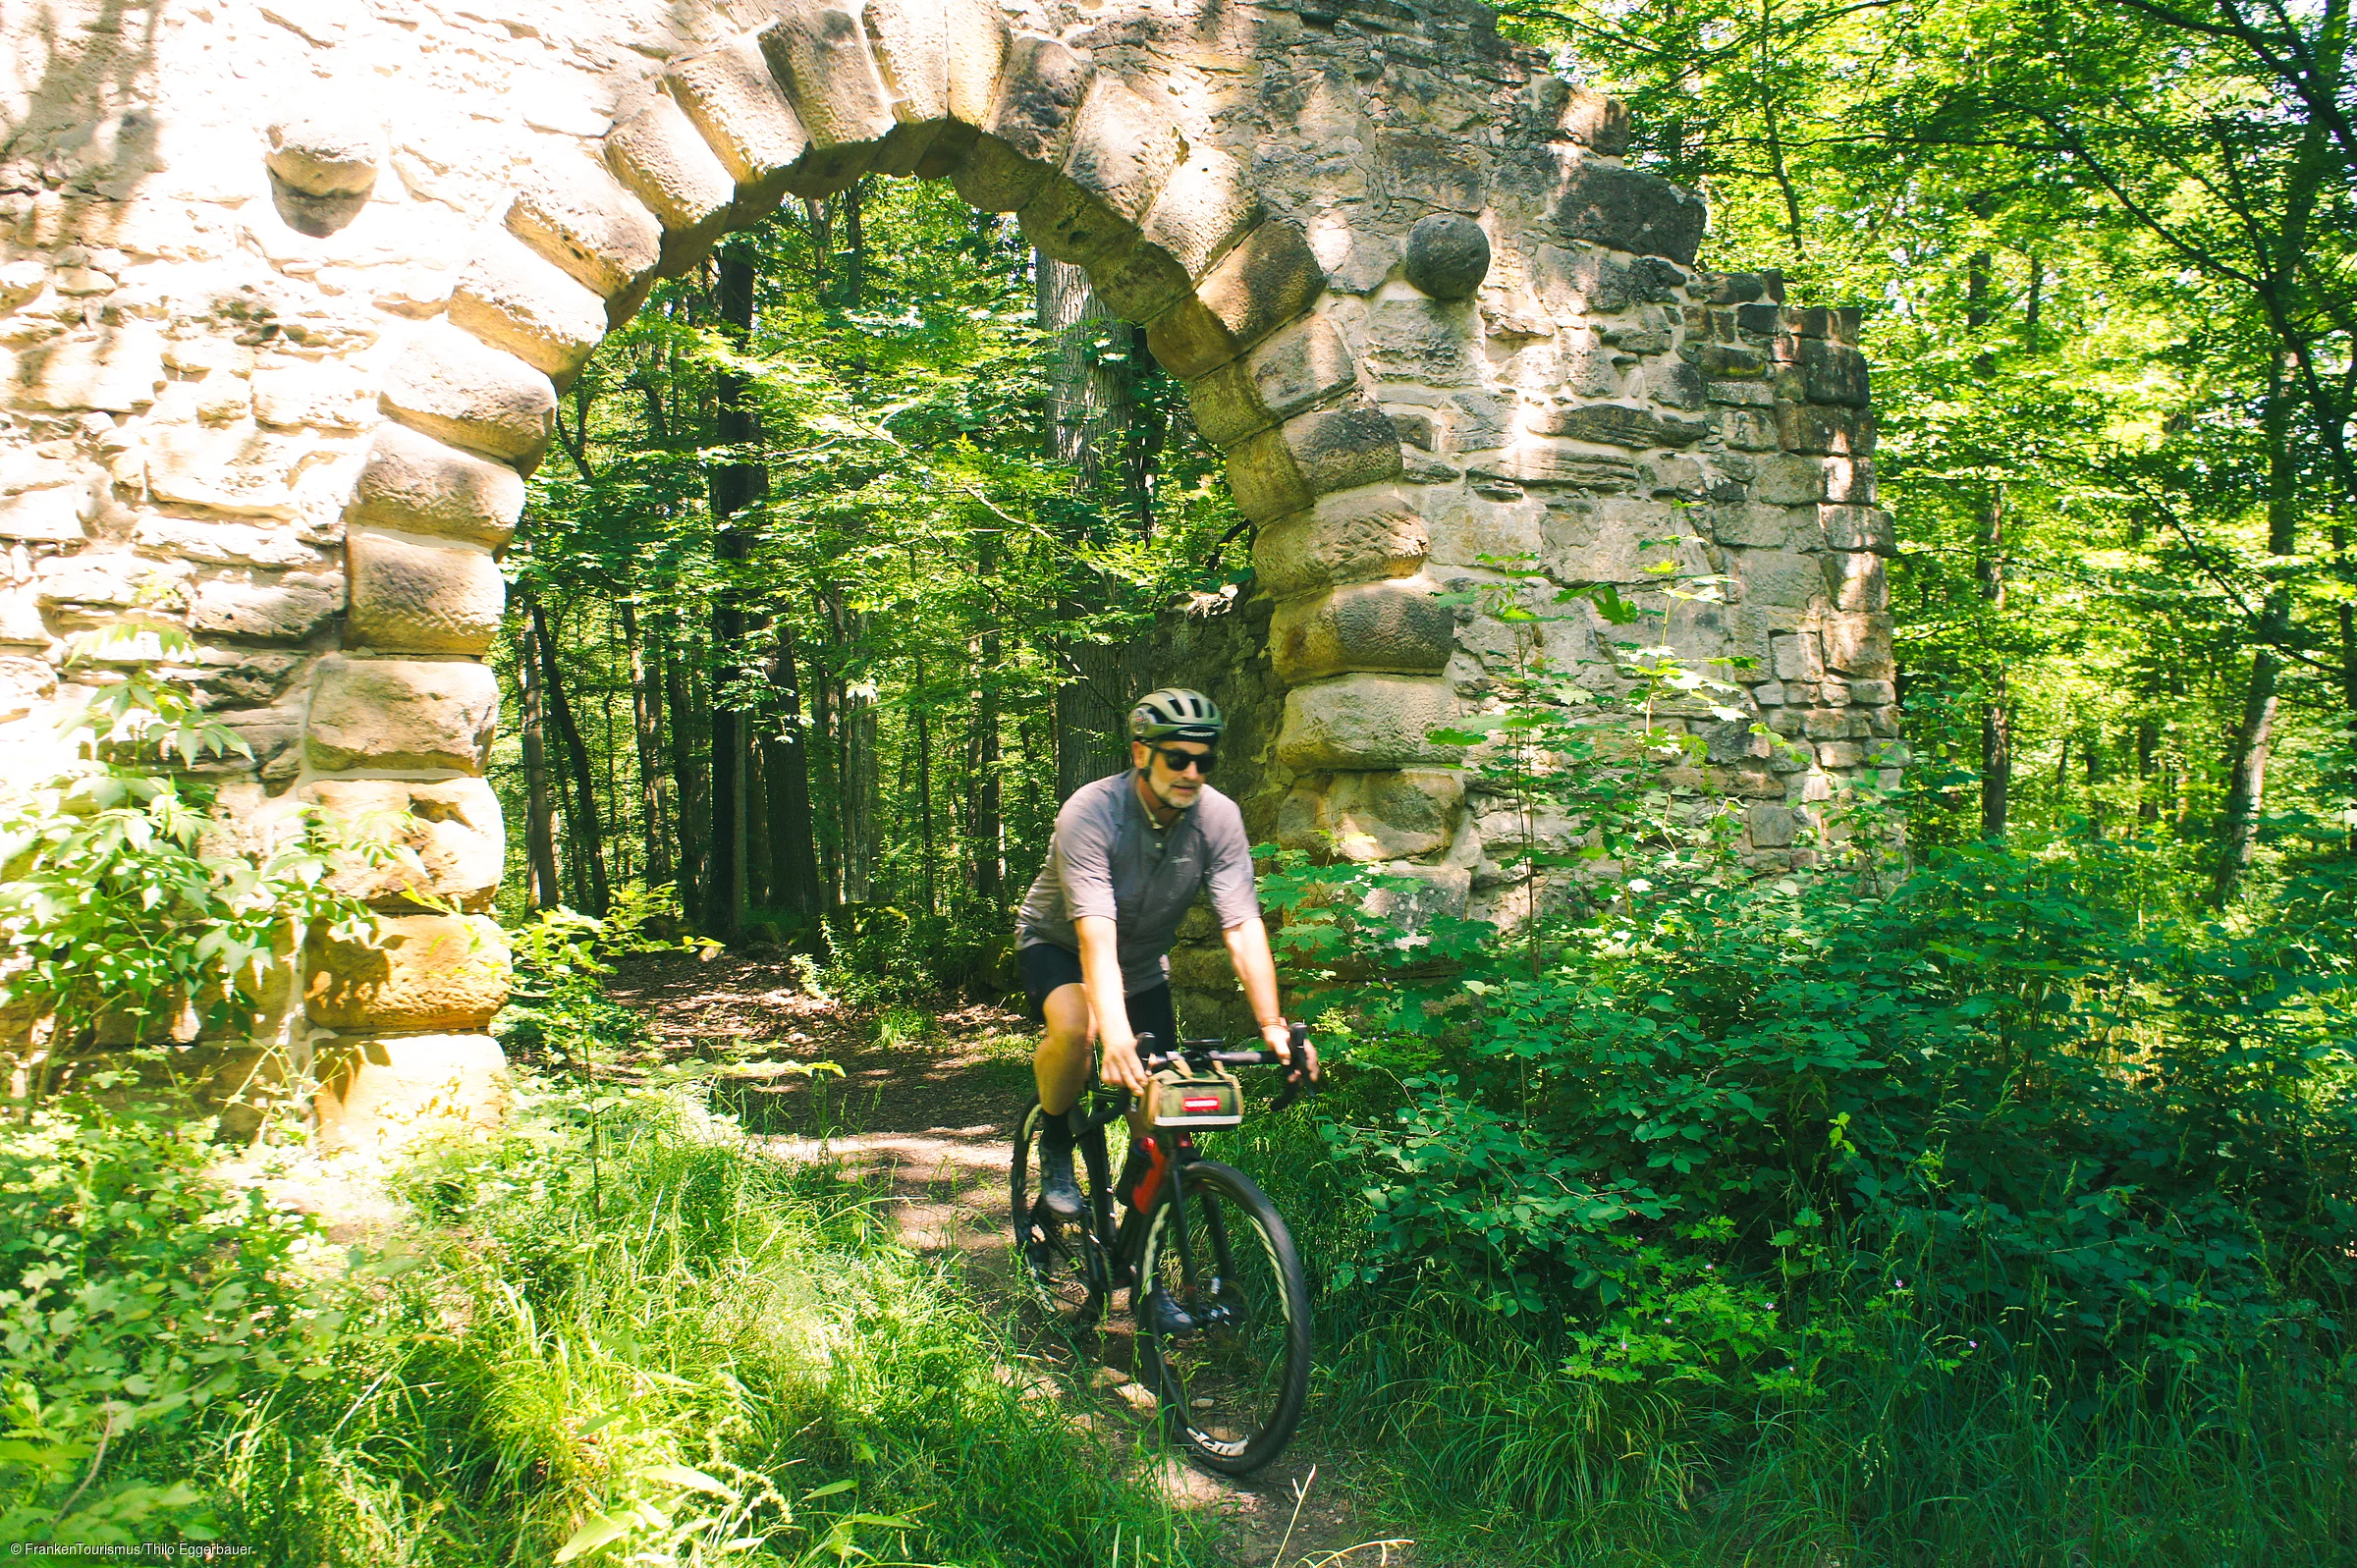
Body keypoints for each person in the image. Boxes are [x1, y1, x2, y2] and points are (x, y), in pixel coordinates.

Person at [1014, 687, 1315, 1220]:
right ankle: (1056, 1139)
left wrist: (1272, 1023)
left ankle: (1140, 1245)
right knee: (1078, 1029)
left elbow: (1242, 924)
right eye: (1177, 758)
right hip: (1058, 945)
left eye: (1204, 761)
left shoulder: (1218, 818)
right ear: (1140, 755)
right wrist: (1114, 1036)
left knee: (1166, 1112)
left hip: (1142, 965)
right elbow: (1095, 934)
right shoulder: (1091, 812)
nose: (1192, 772)